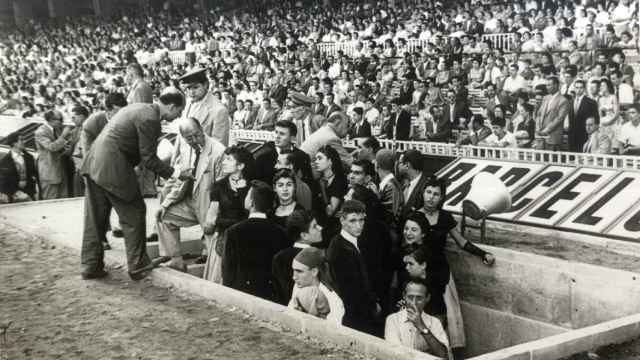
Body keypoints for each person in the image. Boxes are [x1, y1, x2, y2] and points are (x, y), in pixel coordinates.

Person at [80, 87, 189, 280]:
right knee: (135, 213)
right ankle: (138, 264)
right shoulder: (151, 119)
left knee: (95, 218)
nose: (178, 116)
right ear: (172, 106)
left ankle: (90, 265)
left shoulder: (139, 108)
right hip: (113, 167)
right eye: (179, 112)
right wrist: (176, 173)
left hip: (94, 162)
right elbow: (149, 158)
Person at [155, 117, 226, 271]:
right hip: (189, 200)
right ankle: (175, 259)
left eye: (197, 135)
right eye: (189, 138)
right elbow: (180, 180)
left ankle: (211, 263)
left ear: (202, 130)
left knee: (213, 249)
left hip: (209, 202)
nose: (194, 140)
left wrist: (214, 213)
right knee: (164, 216)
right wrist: (166, 203)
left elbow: (222, 186)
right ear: (183, 137)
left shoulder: (218, 150)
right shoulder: (186, 149)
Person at [222, 180, 291, 301]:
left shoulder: (233, 232)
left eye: (248, 195)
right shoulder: (280, 232)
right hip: (272, 295)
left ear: (251, 202)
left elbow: (228, 270)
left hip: (242, 293)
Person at [327, 200, 380, 335]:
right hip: (354, 316)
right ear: (342, 220)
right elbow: (351, 291)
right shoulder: (340, 249)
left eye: (361, 220)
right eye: (353, 221)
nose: (358, 226)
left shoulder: (355, 241)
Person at [203, 146, 255, 283]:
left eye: (229, 159)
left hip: (244, 239)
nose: (224, 162)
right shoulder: (219, 186)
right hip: (223, 238)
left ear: (241, 166)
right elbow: (211, 218)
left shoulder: (252, 187)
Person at [385, 279, 449, 358]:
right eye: (410, 297)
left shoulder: (434, 322)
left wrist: (421, 326)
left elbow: (443, 354)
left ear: (427, 298)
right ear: (404, 296)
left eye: (419, 298)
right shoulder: (393, 320)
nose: (414, 303)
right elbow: (395, 354)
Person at [272, 210, 323, 305]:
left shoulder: (278, 257)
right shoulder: (319, 257)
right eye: (315, 226)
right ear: (304, 235)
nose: (320, 228)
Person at [289, 247, 345, 325]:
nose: (294, 277)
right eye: (294, 270)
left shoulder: (334, 301)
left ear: (314, 272)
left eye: (299, 271)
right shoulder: (299, 285)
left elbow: (330, 332)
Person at [178, 68, 230, 146]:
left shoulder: (219, 110)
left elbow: (219, 146)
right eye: (188, 88)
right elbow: (180, 137)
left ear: (205, 84)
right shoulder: (188, 102)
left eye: (195, 87)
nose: (191, 92)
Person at [254, 120, 312, 185]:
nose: (277, 136)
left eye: (282, 134)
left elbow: (309, 183)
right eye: (276, 132)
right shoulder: (262, 157)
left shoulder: (302, 156)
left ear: (292, 138)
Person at [312, 145, 348, 242]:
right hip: (320, 227)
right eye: (315, 159)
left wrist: (322, 185)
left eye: (320, 158)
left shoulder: (340, 180)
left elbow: (330, 211)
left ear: (330, 161)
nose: (316, 161)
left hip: (335, 230)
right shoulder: (317, 181)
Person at [35, 110, 73, 200]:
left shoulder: (57, 130)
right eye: (60, 119)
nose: (62, 122)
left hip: (61, 171)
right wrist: (63, 136)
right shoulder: (40, 132)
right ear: (51, 120)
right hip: (49, 172)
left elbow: (60, 147)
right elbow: (51, 147)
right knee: (51, 200)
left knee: (64, 200)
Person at [535, 76, 570, 150]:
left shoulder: (563, 100)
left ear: (556, 85)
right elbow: (539, 114)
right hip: (541, 137)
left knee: (551, 159)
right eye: (546, 85)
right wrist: (538, 127)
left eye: (549, 85)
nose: (547, 87)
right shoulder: (545, 98)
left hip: (553, 137)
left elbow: (559, 119)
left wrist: (547, 130)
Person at [0, 132, 37, 202]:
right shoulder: (5, 161)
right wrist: (15, 191)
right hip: (13, 195)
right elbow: (4, 181)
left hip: (29, 193)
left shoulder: (29, 157)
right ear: (14, 143)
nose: (24, 141)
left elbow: (33, 175)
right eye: (21, 140)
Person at [399, 149, 430, 220]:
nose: (398, 166)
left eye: (400, 163)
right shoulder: (403, 183)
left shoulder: (426, 187)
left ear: (407, 165)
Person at [570, 80, 599, 152]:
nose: (578, 90)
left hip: (584, 135)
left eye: (581, 88)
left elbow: (596, 120)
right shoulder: (570, 101)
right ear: (574, 88)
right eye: (576, 88)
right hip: (572, 135)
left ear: (584, 89)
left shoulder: (591, 102)